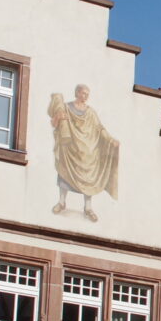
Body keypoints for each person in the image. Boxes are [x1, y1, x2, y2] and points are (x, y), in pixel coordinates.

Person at [47, 84, 119, 221]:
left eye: (87, 94)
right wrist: (58, 117)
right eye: (83, 93)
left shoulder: (90, 112)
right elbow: (53, 124)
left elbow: (99, 128)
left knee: (88, 178)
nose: (85, 96)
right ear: (77, 93)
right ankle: (61, 202)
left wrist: (110, 139)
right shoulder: (66, 107)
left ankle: (88, 208)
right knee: (64, 173)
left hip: (87, 151)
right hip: (69, 149)